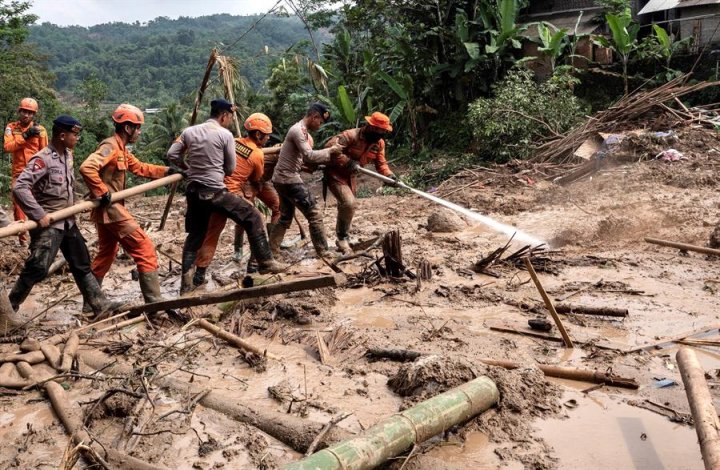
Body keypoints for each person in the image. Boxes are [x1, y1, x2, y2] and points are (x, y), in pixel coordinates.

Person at [167, 99, 285, 295]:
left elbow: (172, 154)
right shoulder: (226, 135)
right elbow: (230, 169)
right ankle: (265, 262)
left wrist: (188, 169)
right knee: (253, 217)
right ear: (224, 116)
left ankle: (187, 284)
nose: (229, 121)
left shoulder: (189, 132)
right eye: (229, 117)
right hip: (216, 192)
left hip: (193, 191)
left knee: (196, 236)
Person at [9, 115, 119, 317]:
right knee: (38, 267)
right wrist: (38, 214)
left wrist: (78, 203)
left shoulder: (68, 155)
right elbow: (20, 188)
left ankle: (98, 304)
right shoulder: (42, 159)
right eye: (75, 134)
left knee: (81, 262)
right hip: (50, 223)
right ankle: (8, 308)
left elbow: (66, 187)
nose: (77, 138)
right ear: (62, 135)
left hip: (68, 221)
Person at [79, 104, 176, 306]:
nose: (139, 132)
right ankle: (155, 304)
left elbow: (140, 167)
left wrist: (167, 171)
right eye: (137, 128)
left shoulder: (121, 149)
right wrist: (101, 190)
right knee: (145, 249)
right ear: (127, 128)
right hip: (112, 210)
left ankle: (91, 304)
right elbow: (87, 167)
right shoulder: (110, 147)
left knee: (107, 252)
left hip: (110, 211)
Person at [193, 112, 275, 285]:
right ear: (259, 134)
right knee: (257, 220)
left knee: (212, 234)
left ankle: (199, 274)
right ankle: (257, 265)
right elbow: (256, 178)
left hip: (215, 192)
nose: (268, 139)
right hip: (232, 193)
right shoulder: (257, 154)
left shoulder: (234, 141)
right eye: (267, 136)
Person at [268, 103, 343, 257]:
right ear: (314, 116)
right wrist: (331, 151)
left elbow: (302, 160)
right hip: (288, 179)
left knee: (285, 218)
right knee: (314, 213)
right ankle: (323, 252)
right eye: (320, 122)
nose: (320, 125)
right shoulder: (298, 131)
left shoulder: (300, 130)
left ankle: (271, 252)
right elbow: (309, 155)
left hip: (281, 178)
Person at [324, 112, 398, 254]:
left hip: (351, 177)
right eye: (379, 130)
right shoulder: (350, 136)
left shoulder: (379, 143)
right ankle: (342, 239)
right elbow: (329, 149)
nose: (381, 134)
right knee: (349, 203)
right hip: (335, 174)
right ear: (370, 126)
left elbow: (381, 163)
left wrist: (390, 176)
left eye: (384, 131)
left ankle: (344, 235)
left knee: (349, 206)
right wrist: (346, 161)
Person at [3, 98, 48, 243]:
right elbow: (8, 147)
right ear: (19, 111)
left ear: (34, 115)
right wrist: (25, 136)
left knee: (37, 205)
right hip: (18, 173)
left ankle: (38, 237)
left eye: (30, 113)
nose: (26, 115)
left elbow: (45, 153)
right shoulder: (11, 127)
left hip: (37, 174)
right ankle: (22, 240)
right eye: (24, 111)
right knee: (18, 206)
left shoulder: (40, 130)